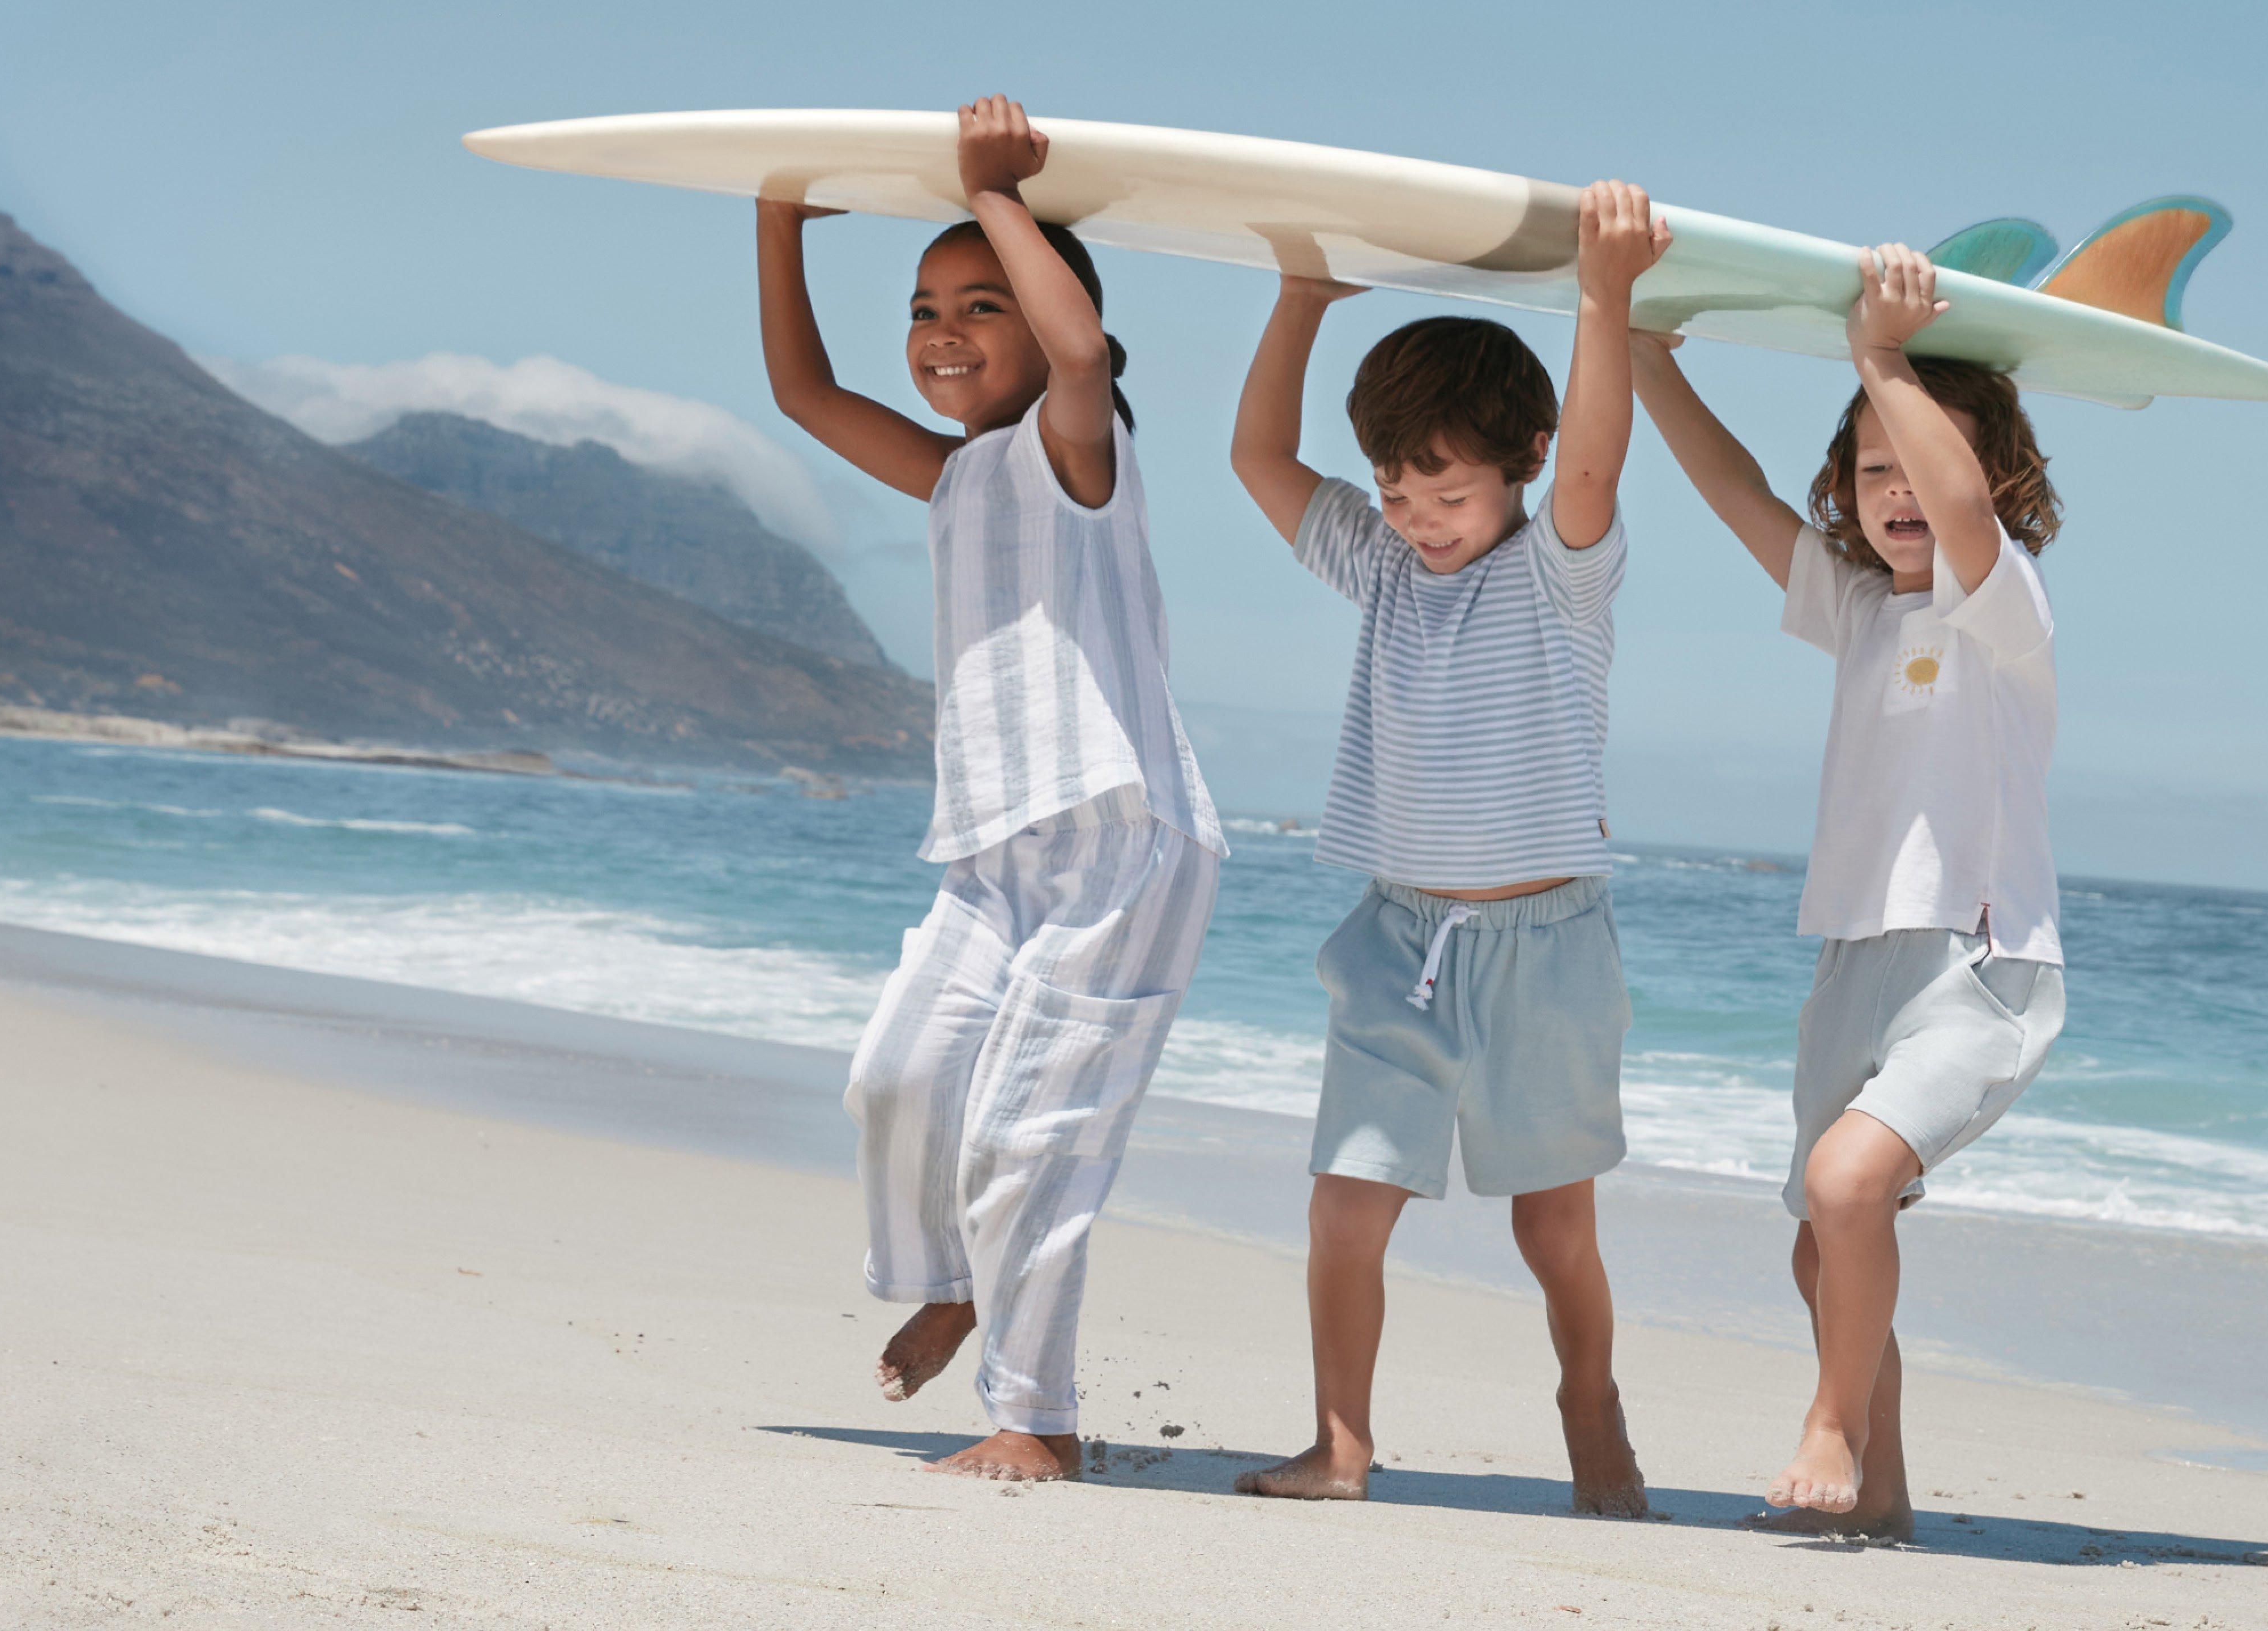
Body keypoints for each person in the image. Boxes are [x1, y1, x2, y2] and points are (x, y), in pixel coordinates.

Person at [758, 95, 1225, 1483]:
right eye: (923, 306)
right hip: (996, 855)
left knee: (1037, 1135)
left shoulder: (1081, 454)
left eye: (981, 303)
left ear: (1047, 317)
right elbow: (803, 396)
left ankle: (1039, 1418)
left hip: (1124, 848)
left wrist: (999, 196)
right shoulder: (958, 476)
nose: (943, 331)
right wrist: (780, 215)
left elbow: (1079, 350)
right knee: (896, 1075)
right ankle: (961, 1279)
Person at [1220, 183, 1671, 1516]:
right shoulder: (1379, 569)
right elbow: (1255, 459)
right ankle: (1341, 1444)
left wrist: (1605, 294)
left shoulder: (1558, 572)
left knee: (1553, 1226)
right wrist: (1298, 301)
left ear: (1519, 460)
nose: (1418, 515)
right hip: (1397, 941)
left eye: (1448, 491)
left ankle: (1590, 1407)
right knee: (1344, 1205)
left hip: (1546, 950)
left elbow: (1594, 465)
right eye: (1396, 489)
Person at [1629, 245, 2069, 1538]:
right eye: (1869, 469)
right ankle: (1878, 1499)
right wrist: (1650, 359)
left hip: (1975, 968)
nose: (1896, 489)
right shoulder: (1860, 609)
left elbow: (1965, 518)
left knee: (1846, 1189)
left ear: (1991, 478)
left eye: (1918, 461)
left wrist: (1879, 359)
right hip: (1852, 965)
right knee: (1821, 1243)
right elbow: (1732, 492)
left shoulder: (2006, 609)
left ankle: (1830, 1426)